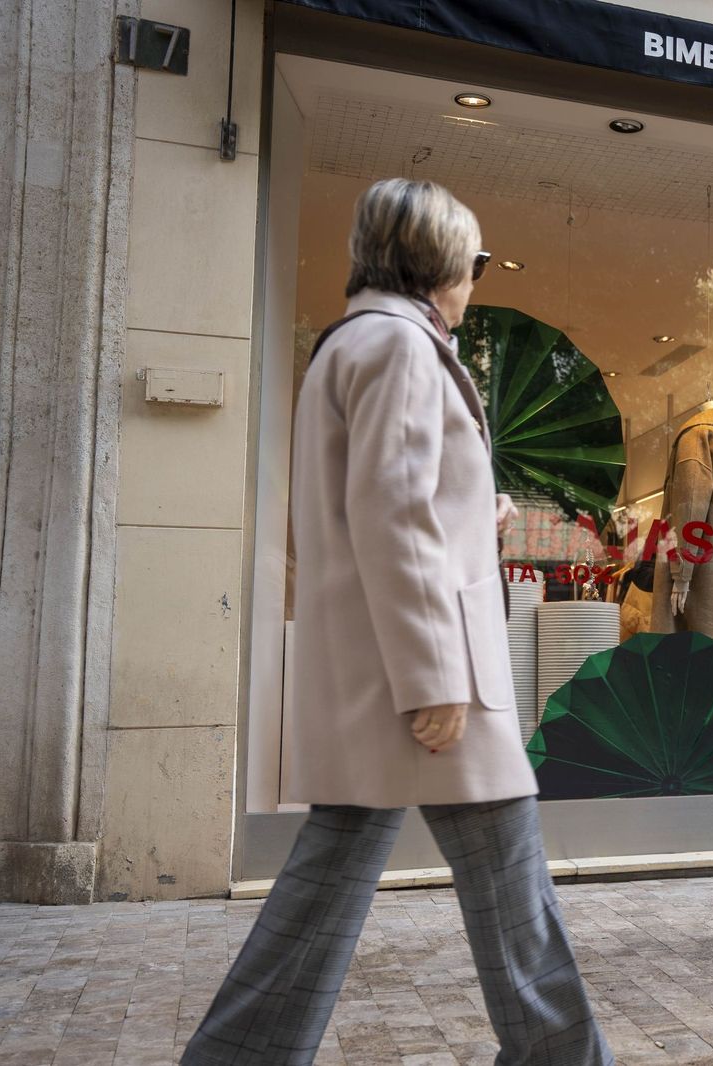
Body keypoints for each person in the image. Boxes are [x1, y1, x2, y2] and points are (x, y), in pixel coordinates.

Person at [181, 178, 612, 1065]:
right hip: (428, 680)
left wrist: (474, 514)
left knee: (325, 897)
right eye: (477, 261)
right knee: (513, 904)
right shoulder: (403, 348)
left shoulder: (360, 343)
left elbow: (386, 506)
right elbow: (389, 512)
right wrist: (434, 677)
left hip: (386, 674)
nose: (476, 280)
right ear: (438, 260)